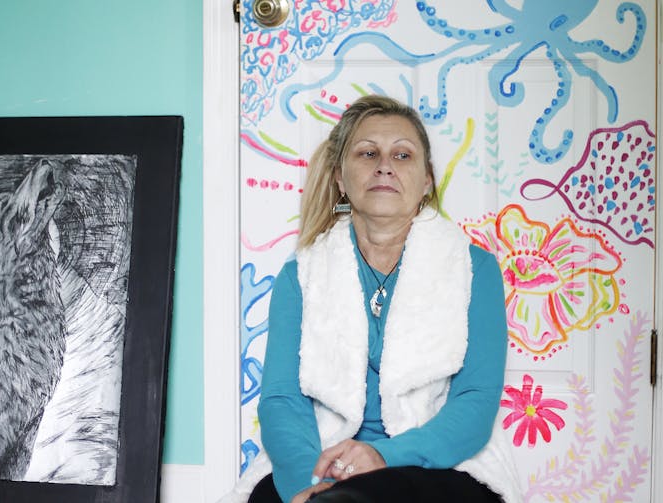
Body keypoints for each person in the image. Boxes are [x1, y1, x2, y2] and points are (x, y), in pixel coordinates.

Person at [221, 95, 521, 503]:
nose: (385, 165)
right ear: (341, 179)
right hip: (321, 457)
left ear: (427, 180)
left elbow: (475, 400)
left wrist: (381, 454)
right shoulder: (301, 274)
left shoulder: (475, 270)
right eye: (367, 153)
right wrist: (312, 483)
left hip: (434, 462)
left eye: (402, 154)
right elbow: (281, 400)